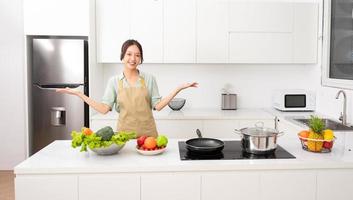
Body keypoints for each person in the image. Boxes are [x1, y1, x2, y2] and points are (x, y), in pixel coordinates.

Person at [56, 39, 198, 137]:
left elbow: (158, 106)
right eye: (129, 54)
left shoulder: (149, 79)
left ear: (140, 59)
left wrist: (178, 88)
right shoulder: (114, 81)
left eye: (137, 55)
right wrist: (80, 94)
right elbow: (104, 109)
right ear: (122, 56)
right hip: (124, 136)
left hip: (148, 136)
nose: (133, 58)